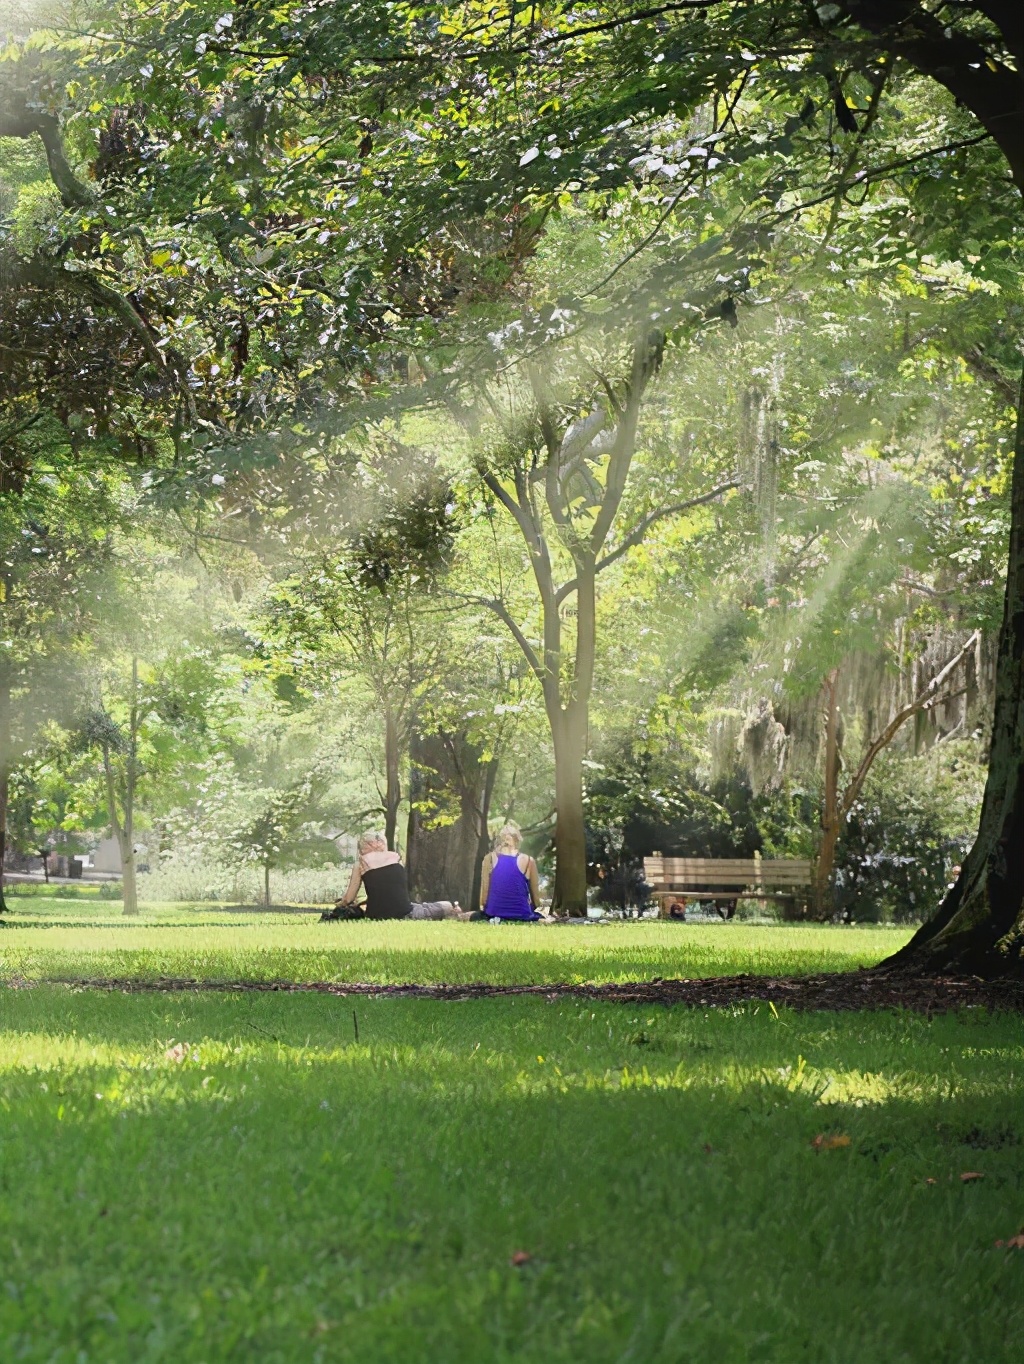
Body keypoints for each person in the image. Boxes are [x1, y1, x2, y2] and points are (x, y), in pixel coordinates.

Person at [322, 832, 469, 921]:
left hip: (375, 915)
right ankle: (454, 908)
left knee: (422, 907)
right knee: (446, 905)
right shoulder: (396, 859)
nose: (360, 852)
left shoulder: (360, 864)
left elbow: (348, 898)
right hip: (405, 912)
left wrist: (340, 905)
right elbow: (393, 892)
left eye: (360, 849)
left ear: (368, 845)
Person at [479, 823, 544, 921]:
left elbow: (484, 895)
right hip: (522, 913)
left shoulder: (489, 859)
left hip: (494, 912)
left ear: (499, 840)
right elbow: (536, 898)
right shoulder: (529, 860)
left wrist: (484, 906)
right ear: (517, 841)